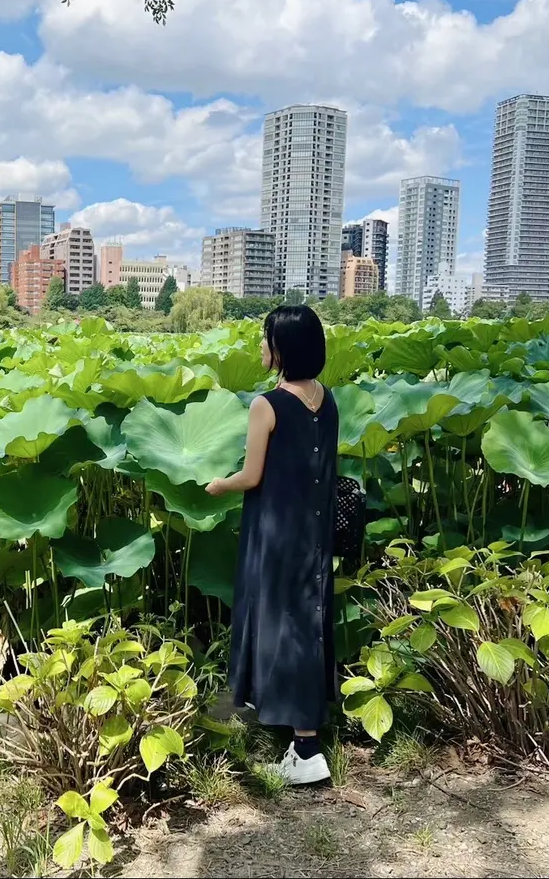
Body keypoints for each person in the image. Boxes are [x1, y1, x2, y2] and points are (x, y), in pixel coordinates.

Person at [206, 304, 338, 784]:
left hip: (277, 535)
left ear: (282, 349)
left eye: (266, 340)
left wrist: (219, 485)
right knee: (307, 627)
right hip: (315, 537)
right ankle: (302, 740)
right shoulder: (328, 400)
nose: (261, 347)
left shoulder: (267, 404)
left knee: (285, 629)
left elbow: (252, 475)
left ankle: (306, 753)